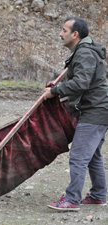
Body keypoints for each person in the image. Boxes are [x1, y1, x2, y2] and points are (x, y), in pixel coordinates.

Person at [43, 17, 108, 211]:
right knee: (93, 155)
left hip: (95, 111)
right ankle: (98, 195)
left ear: (75, 34)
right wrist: (59, 86)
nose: (60, 34)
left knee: (79, 156)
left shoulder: (85, 53)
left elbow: (81, 83)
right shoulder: (82, 51)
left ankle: (72, 200)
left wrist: (54, 91)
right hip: (97, 109)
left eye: (64, 30)